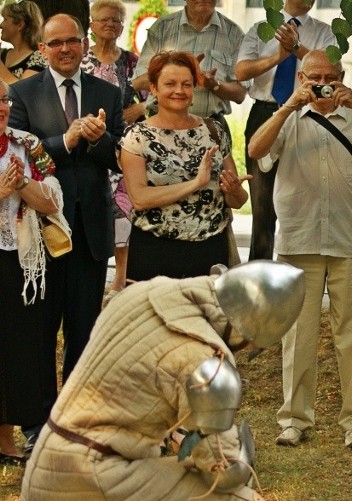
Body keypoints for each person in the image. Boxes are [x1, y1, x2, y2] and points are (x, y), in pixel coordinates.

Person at [19, 260, 306, 501]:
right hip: (96, 481)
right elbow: (224, 471)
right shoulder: (204, 364)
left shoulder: (140, 293)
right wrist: (242, 454)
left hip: (47, 476)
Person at [247, 50, 352, 451]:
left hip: (349, 239)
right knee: (297, 335)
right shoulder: (288, 116)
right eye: (313, 77)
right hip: (299, 239)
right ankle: (295, 419)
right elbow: (256, 151)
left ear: (341, 76)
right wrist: (287, 107)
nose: (321, 84)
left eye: (328, 76)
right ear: (301, 77)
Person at [9, 15, 124, 424]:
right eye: (55, 43)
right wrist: (66, 140)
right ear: (42, 49)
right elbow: (17, 156)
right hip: (40, 231)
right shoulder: (22, 94)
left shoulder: (108, 93)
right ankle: (39, 421)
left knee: (83, 330)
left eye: (71, 41)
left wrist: (98, 140)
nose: (64, 49)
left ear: (84, 43)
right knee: (40, 333)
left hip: (89, 230)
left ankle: (74, 420)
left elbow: (119, 158)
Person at [119, 51, 248, 281]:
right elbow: (139, 198)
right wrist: (195, 183)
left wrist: (235, 191)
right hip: (156, 252)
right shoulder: (137, 136)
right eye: (170, 84)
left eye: (187, 84)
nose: (179, 91)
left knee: (207, 317)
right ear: (154, 88)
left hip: (210, 251)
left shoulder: (214, 131)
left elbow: (237, 201)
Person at [236, 0, 334, 261]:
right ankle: (260, 270)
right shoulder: (261, 28)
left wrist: (296, 49)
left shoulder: (325, 31)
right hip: (265, 114)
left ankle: (299, 268)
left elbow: (330, 68)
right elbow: (241, 71)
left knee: (306, 193)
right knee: (262, 201)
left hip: (308, 113)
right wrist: (277, 57)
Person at [0, 79, 62, 465]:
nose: (2, 106)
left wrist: (21, 184)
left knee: (19, 348)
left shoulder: (28, 144)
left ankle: (12, 436)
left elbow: (50, 201)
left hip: (18, 257)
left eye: (3, 99)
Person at [82, 0, 147, 303]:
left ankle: (121, 278)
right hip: (86, 147)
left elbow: (149, 101)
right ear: (91, 25)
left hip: (124, 148)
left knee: (124, 210)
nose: (110, 24)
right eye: (103, 19)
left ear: (123, 26)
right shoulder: (80, 60)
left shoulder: (133, 62)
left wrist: (131, 113)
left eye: (116, 20)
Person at [131, 0, 246, 138]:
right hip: (161, 128)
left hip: (210, 129)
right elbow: (138, 82)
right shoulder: (162, 28)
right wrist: (174, 76)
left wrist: (214, 85)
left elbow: (240, 94)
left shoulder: (234, 33)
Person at [0, 1, 46, 85]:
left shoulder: (39, 57)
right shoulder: (2, 54)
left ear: (20, 25)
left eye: (5, 20)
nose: (1, 25)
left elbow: (23, 91)